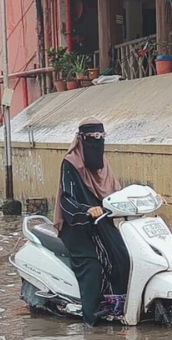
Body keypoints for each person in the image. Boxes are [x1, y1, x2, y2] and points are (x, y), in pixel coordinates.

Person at [53, 118, 131, 326]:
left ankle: (120, 306)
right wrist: (86, 210)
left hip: (103, 223)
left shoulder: (103, 165)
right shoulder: (70, 163)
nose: (97, 142)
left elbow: (116, 192)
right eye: (92, 138)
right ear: (81, 140)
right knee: (92, 267)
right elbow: (66, 199)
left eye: (101, 137)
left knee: (123, 256)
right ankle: (92, 319)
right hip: (77, 226)